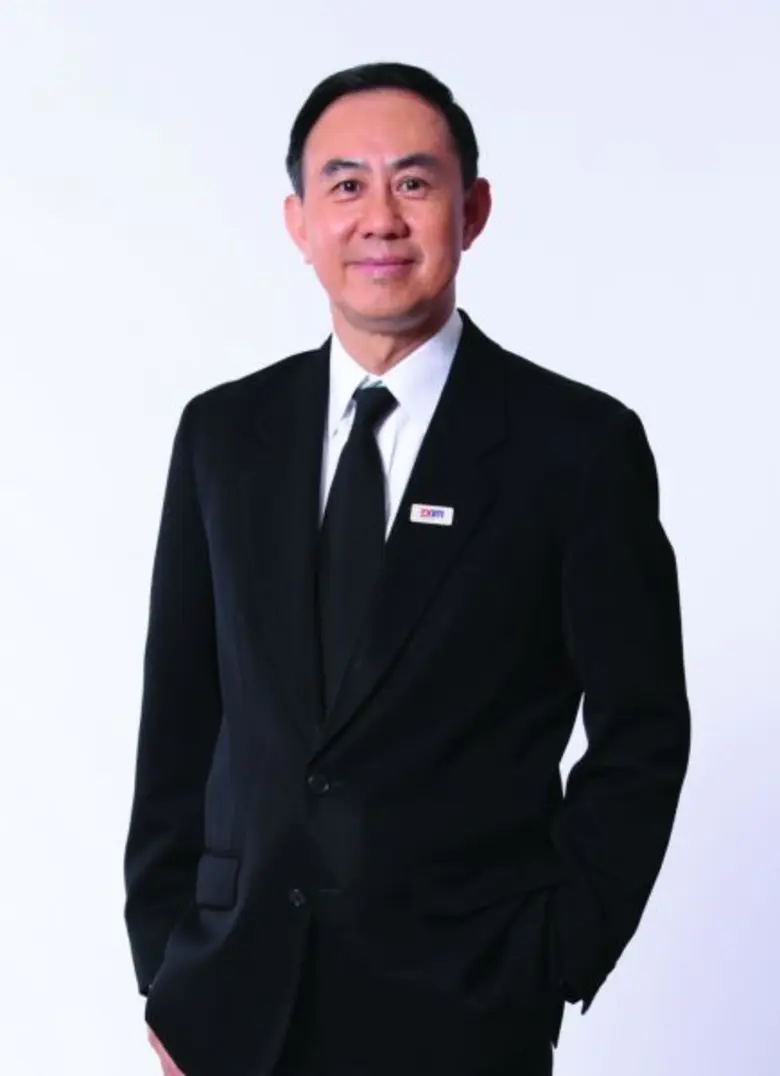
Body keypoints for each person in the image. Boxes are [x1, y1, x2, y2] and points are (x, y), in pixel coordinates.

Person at [123, 62, 691, 1076]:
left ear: (472, 211)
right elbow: (181, 714)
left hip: (462, 1012)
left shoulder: (575, 447)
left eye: (414, 182)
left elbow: (642, 730)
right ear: (299, 223)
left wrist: (554, 949)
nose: (380, 218)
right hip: (233, 1010)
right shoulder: (224, 434)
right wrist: (167, 964)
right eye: (345, 184)